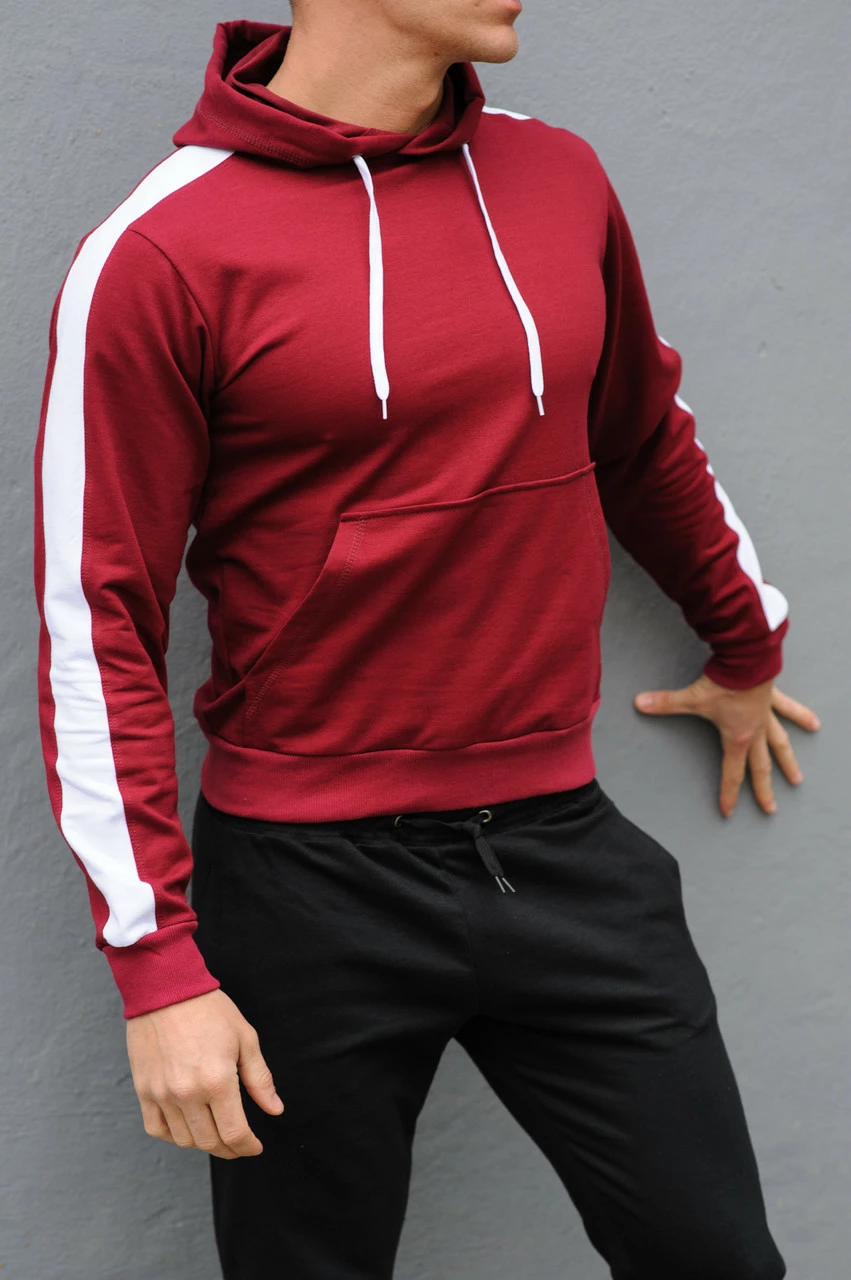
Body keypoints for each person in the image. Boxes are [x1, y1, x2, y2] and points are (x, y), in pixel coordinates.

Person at [33, 3, 820, 1276]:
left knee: (717, 1255)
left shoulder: (557, 176)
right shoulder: (161, 249)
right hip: (303, 889)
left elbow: (637, 433)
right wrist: (157, 963)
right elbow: (97, 617)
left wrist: (745, 643)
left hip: (561, 850)